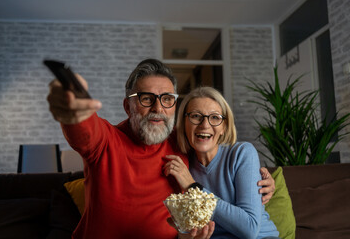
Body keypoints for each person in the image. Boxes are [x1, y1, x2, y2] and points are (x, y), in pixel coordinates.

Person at [47, 58, 275, 239]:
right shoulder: (106, 140)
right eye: (146, 98)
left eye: (167, 99)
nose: (158, 107)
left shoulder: (183, 142)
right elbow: (85, 129)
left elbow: (218, 151)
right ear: (128, 106)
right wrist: (72, 111)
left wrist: (262, 177)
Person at [163, 86, 279, 238]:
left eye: (215, 117)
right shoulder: (182, 166)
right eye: (196, 116)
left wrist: (195, 188)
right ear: (184, 124)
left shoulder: (242, 153)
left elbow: (250, 230)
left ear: (224, 127)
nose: (205, 125)